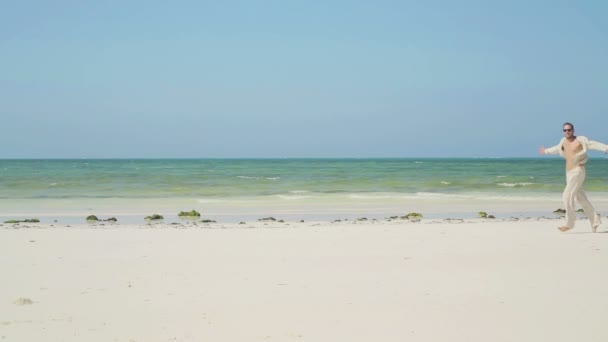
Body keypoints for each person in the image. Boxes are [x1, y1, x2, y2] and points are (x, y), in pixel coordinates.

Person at [540, 122, 608, 232]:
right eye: (565, 130)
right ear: (563, 131)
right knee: (581, 198)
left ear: (573, 130)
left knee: (567, 195)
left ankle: (569, 223)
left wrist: (606, 148)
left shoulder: (580, 140)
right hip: (569, 172)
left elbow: (592, 144)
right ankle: (595, 221)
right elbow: (557, 148)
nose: (567, 132)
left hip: (578, 171)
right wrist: (546, 151)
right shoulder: (563, 141)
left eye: (569, 130)